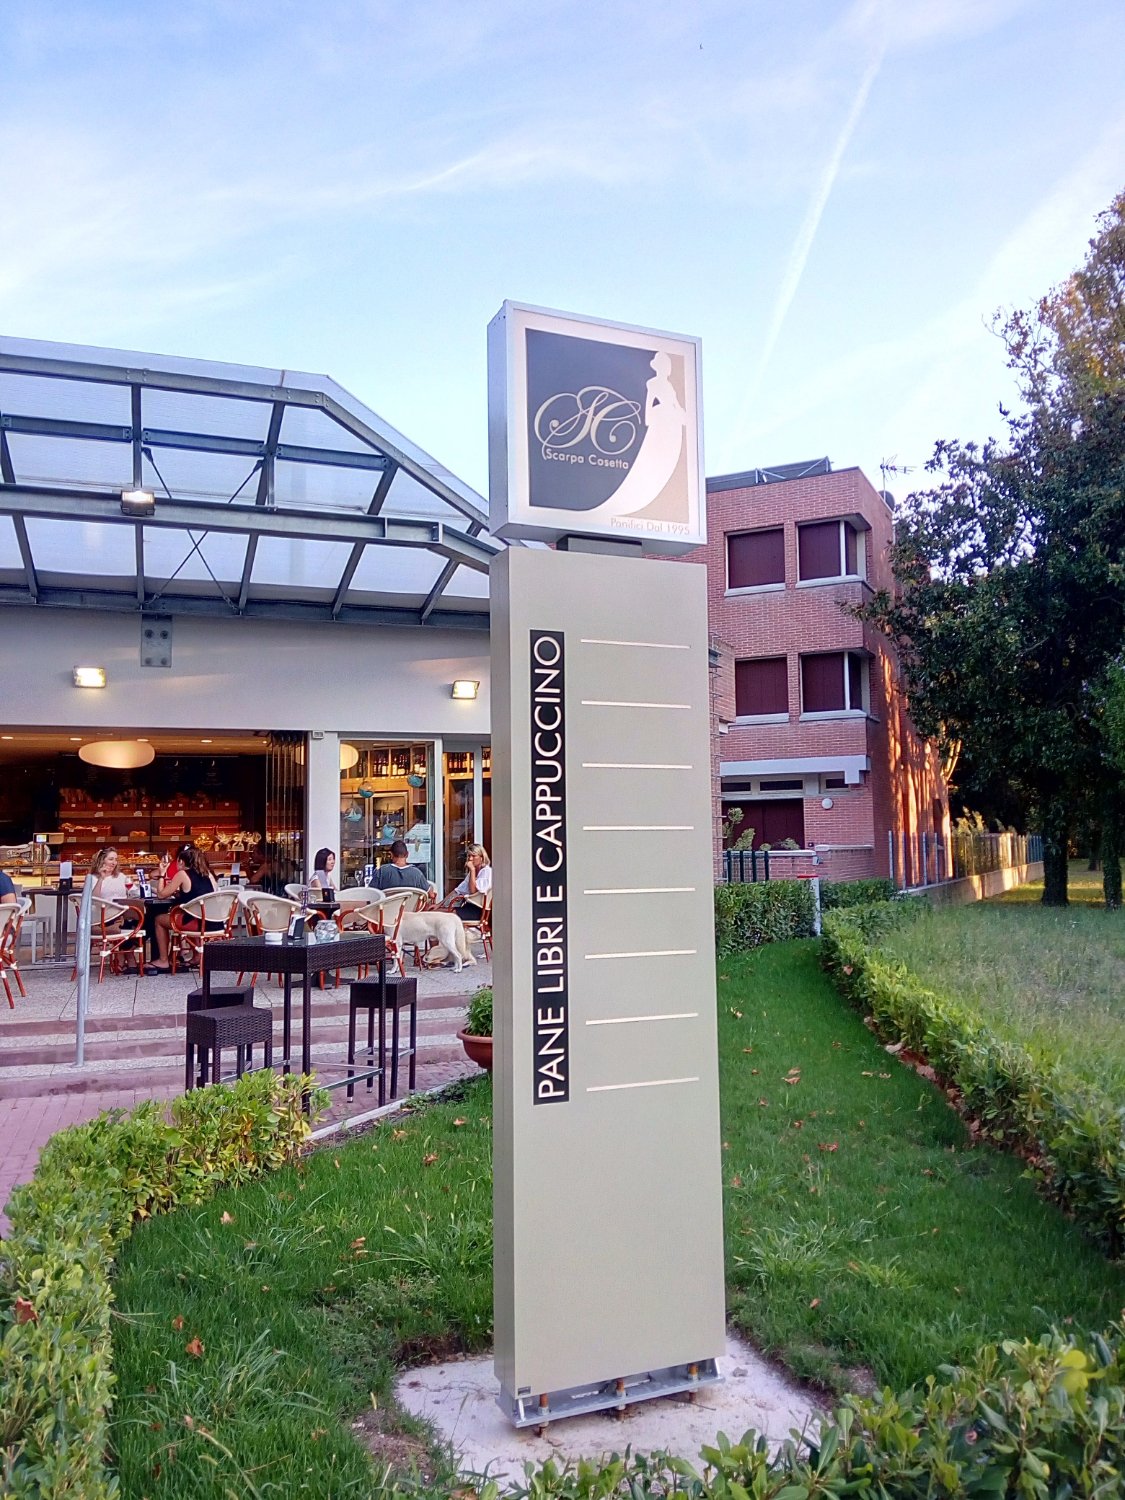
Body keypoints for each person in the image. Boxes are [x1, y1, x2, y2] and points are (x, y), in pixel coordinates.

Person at [149, 844, 219, 972]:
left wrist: (162, 875)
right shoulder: (208, 874)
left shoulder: (182, 874)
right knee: (188, 913)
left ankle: (163, 960)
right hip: (213, 921)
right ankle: (197, 956)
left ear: (181, 861)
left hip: (195, 923)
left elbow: (161, 895)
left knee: (159, 919)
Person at [445, 845, 491, 914]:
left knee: (447, 915)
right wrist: (439, 904)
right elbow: (458, 890)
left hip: (479, 909)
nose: (470, 859)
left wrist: (472, 870)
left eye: (474, 856)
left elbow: (473, 891)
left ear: (481, 858)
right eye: (469, 856)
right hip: (469, 905)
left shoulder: (486, 871)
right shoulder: (472, 873)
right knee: (441, 911)